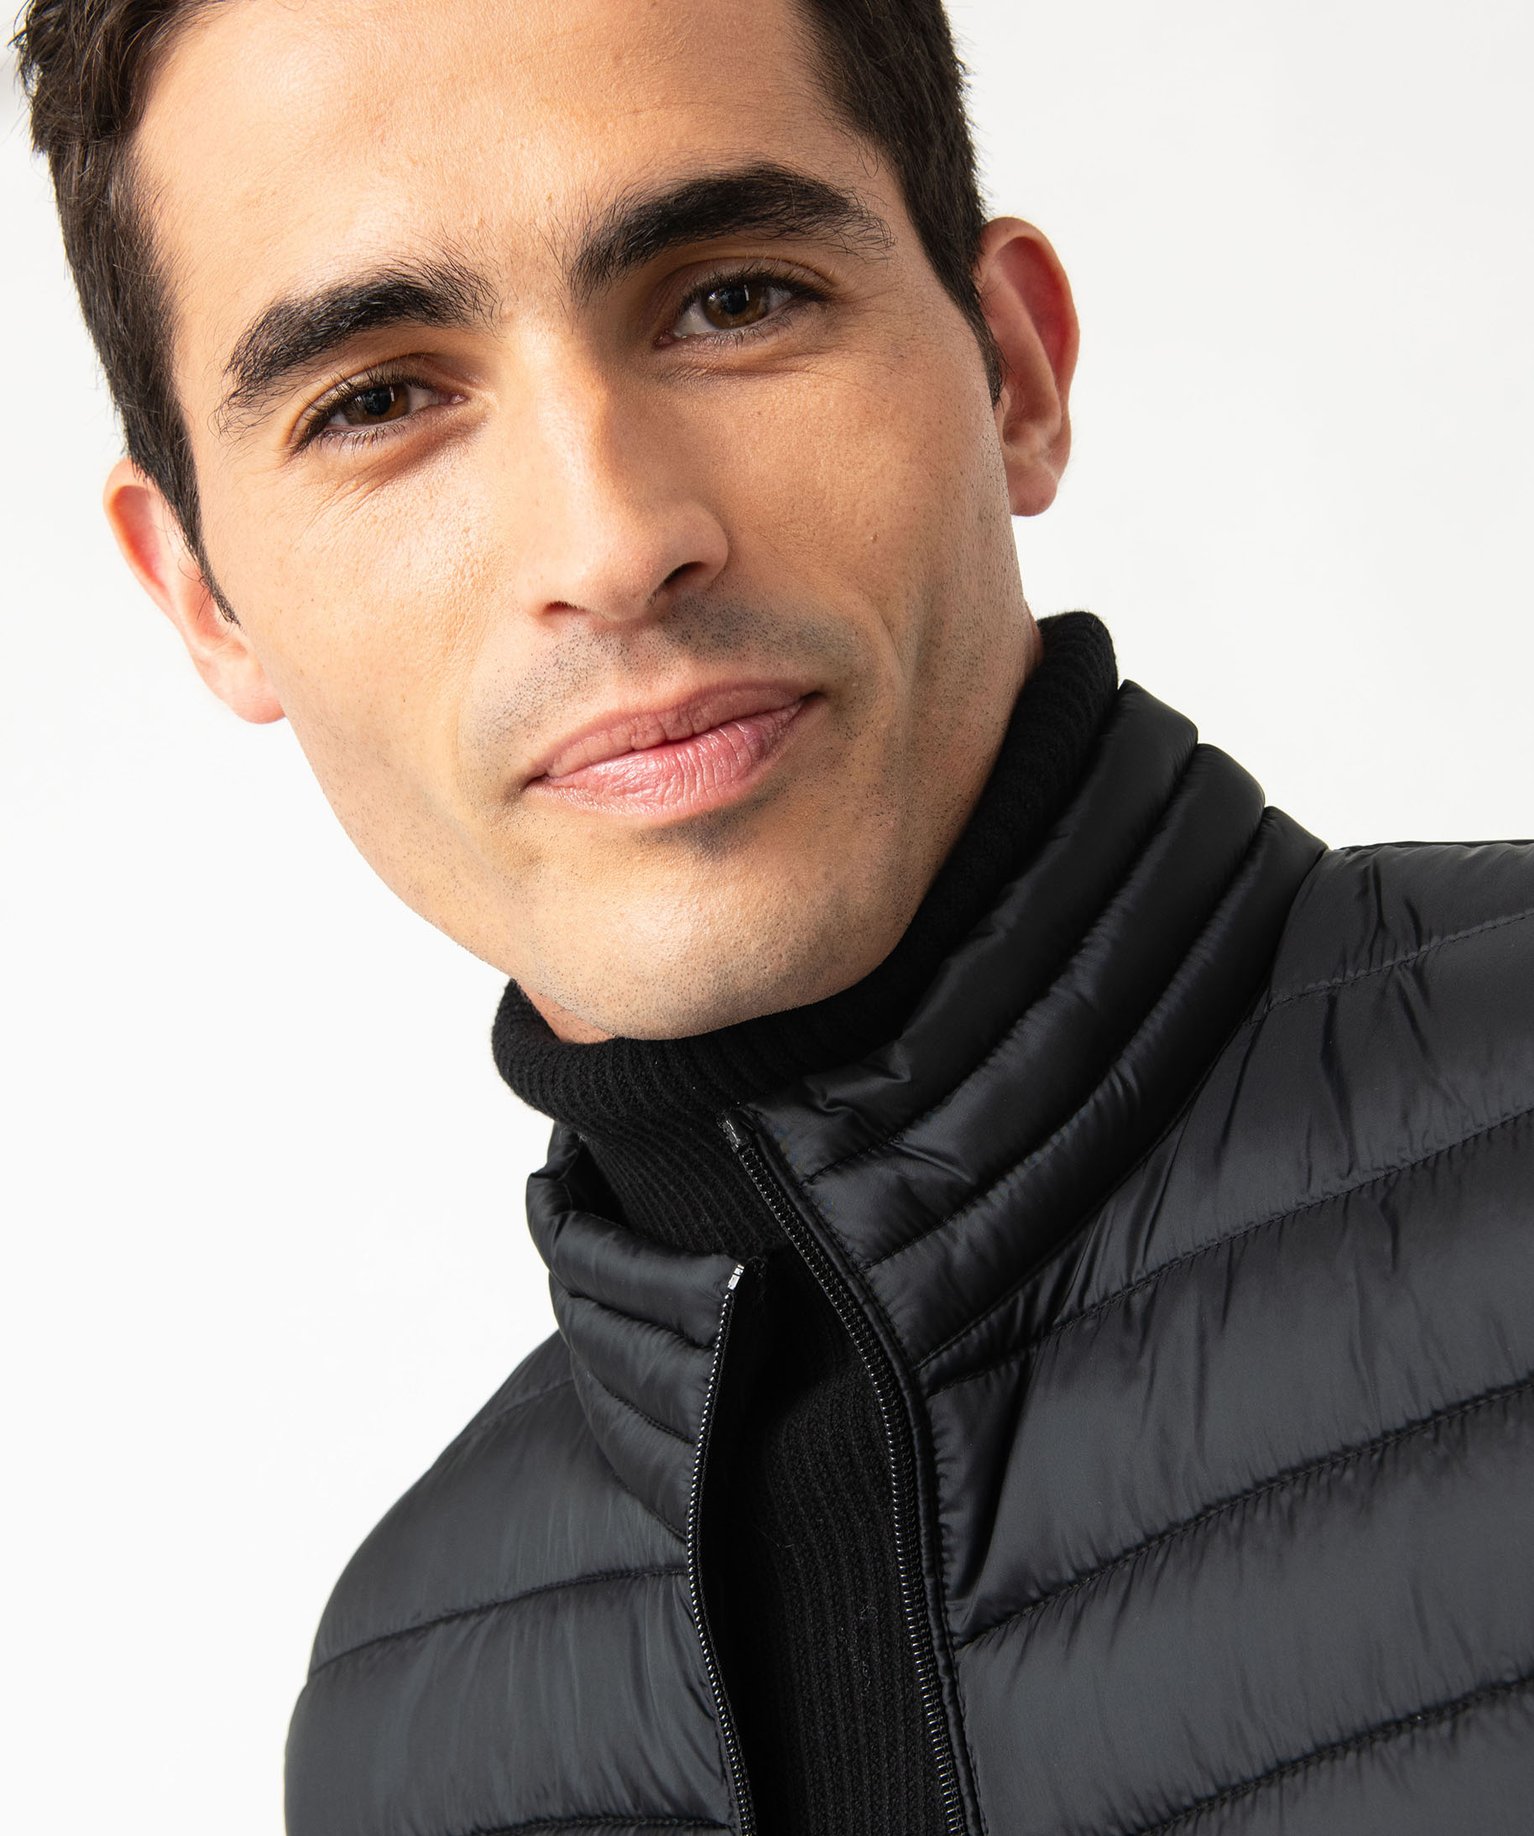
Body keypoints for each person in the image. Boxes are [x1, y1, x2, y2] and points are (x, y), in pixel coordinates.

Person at [15, 0, 1533, 1831]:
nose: (610, 542)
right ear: (203, 598)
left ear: (1012, 369)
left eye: (731, 300)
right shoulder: (405, 1730)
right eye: (379, 401)